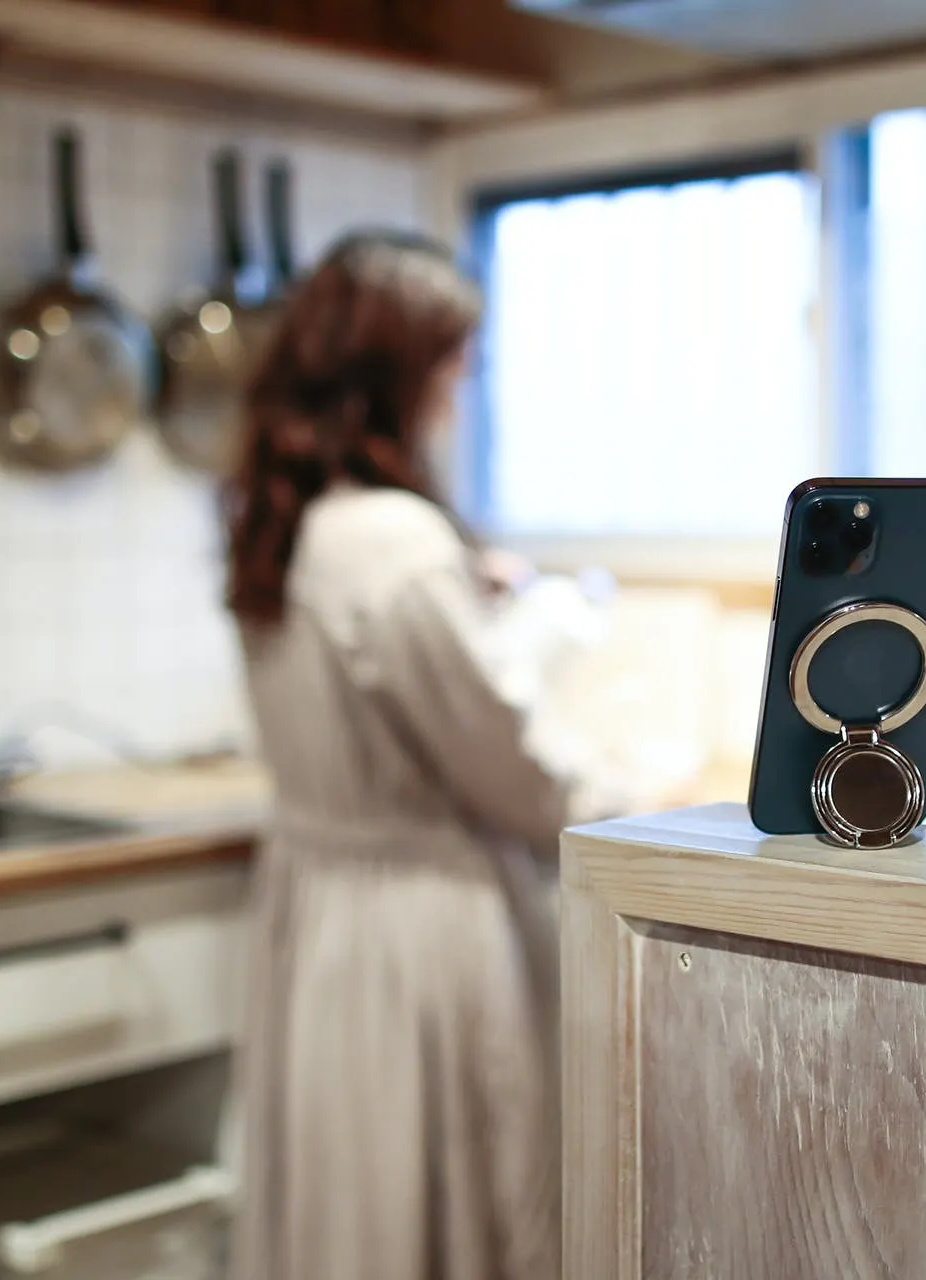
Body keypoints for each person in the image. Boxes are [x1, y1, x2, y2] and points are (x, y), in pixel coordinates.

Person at [223, 230, 627, 1280]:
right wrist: (633, 798)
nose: (462, 385)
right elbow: (512, 770)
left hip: (321, 918)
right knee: (439, 1212)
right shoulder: (394, 545)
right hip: (419, 932)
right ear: (399, 373)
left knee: (347, 1212)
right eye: (453, 360)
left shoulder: (291, 521)